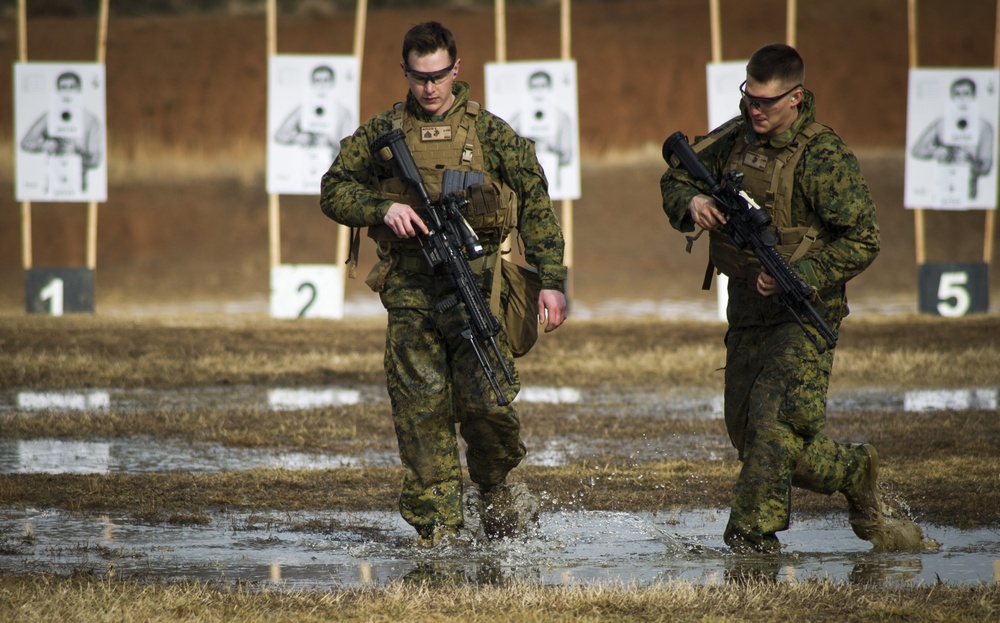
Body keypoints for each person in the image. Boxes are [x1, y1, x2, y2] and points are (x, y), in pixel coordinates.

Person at [660, 43, 932, 554]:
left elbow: (865, 238)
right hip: (747, 307)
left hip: (804, 312)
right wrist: (693, 202)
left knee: (774, 421)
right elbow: (675, 173)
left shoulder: (824, 155)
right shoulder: (737, 136)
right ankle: (854, 471)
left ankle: (751, 539)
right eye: (749, 98)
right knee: (748, 432)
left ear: (796, 97)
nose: (754, 110)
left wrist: (801, 275)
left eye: (766, 102)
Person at [320, 21, 568, 548]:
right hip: (411, 295)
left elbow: (536, 201)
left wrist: (552, 280)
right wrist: (382, 208)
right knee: (420, 414)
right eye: (418, 77)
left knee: (490, 409)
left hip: (478, 291)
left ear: (456, 69)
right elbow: (333, 189)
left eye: (437, 76)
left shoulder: (492, 132)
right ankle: (440, 534)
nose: (428, 89)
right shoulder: (383, 133)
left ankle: (496, 488)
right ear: (405, 72)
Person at [910, 76, 994, 204]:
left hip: (968, 189)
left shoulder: (983, 127)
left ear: (973, 96)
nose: (961, 98)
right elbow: (916, 149)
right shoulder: (941, 124)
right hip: (942, 185)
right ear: (952, 97)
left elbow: (986, 165)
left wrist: (970, 161)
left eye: (966, 94)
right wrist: (935, 151)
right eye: (957, 94)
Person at [20, 70, 103, 195]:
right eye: (63, 88)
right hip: (53, 182)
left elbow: (95, 160)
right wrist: (44, 145)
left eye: (72, 87)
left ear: (79, 90)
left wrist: (76, 151)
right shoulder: (49, 117)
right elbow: (26, 142)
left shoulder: (91, 121)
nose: (68, 91)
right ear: (58, 91)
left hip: (79, 185)